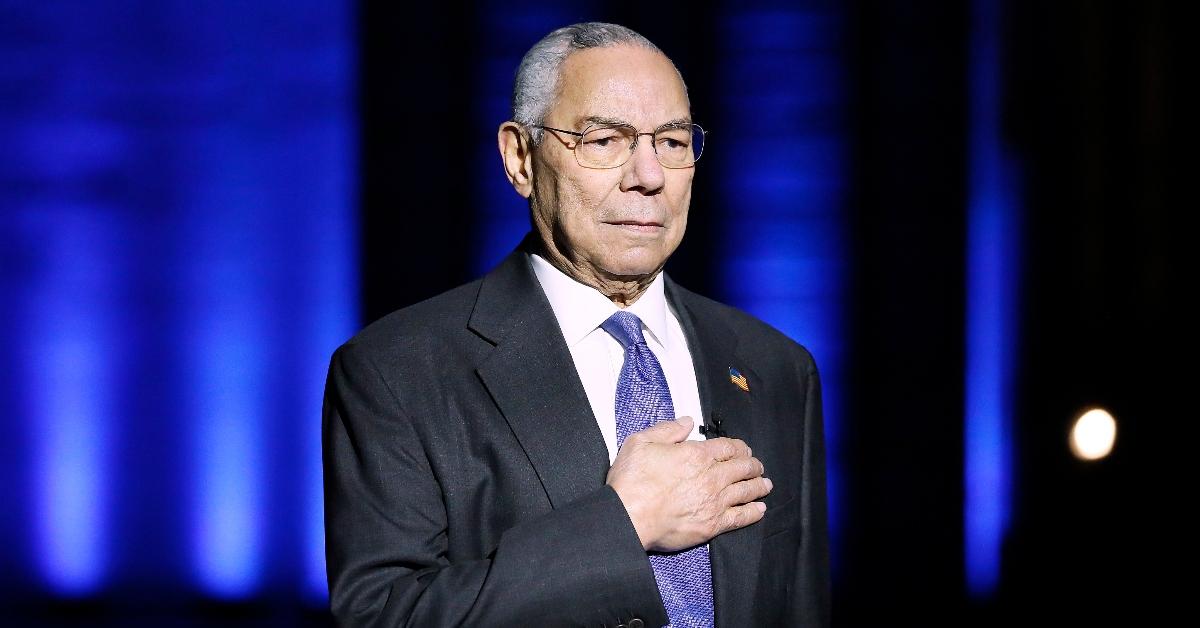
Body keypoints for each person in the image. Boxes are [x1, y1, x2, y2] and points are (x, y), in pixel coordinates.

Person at [323, 22, 829, 627]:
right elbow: (385, 617)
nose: (648, 177)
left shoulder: (777, 367)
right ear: (519, 159)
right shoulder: (396, 372)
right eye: (603, 140)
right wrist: (621, 525)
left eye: (670, 143)